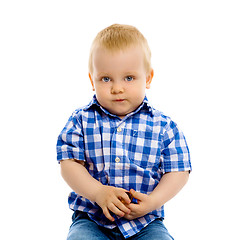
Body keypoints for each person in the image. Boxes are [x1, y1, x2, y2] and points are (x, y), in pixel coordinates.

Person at [56, 24, 192, 240]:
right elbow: (69, 165)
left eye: (129, 78)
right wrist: (98, 192)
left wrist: (154, 201)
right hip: (92, 219)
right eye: (106, 78)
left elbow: (178, 171)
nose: (117, 88)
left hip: (145, 223)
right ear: (92, 80)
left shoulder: (164, 126)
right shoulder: (81, 120)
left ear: (147, 78)